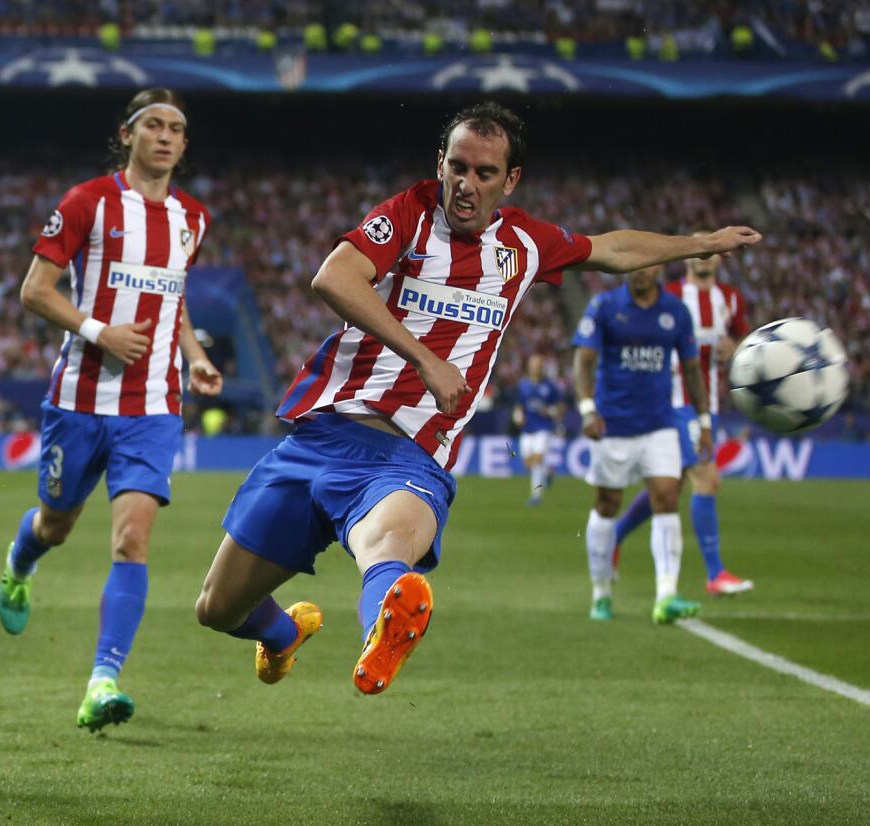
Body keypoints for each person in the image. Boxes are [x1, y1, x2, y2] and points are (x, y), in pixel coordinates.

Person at [193, 101, 760, 693]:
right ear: (440, 164)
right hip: (322, 435)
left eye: (484, 173)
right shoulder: (409, 216)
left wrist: (698, 242)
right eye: (457, 167)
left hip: (407, 456)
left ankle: (380, 640)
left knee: (383, 544)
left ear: (510, 180)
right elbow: (333, 277)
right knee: (217, 607)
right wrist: (425, 357)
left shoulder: (525, 244)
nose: (466, 185)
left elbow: (611, 249)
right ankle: (283, 633)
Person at [0, 88, 223, 732]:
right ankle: (20, 562)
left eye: (177, 128)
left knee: (132, 539)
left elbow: (172, 301)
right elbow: (34, 291)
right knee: (56, 524)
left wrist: (193, 353)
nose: (166, 136)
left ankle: (103, 680)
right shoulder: (87, 202)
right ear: (127, 134)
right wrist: (100, 332)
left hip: (153, 406)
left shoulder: (193, 219)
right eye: (154, 124)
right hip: (79, 402)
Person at [575, 265, 714, 623]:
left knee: (668, 497)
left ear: (659, 269)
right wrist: (588, 410)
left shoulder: (675, 313)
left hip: (659, 423)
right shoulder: (605, 306)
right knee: (607, 504)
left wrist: (704, 421)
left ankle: (667, 595)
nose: (640, 272)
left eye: (647, 265)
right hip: (613, 425)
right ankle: (601, 591)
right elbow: (584, 361)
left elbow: (692, 369)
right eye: (633, 266)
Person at [611, 244, 753, 595]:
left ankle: (613, 535)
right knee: (706, 478)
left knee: (669, 486)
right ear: (688, 257)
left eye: (710, 248)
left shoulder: (731, 299)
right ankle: (715, 573)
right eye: (697, 247)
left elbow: (748, 344)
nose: (703, 256)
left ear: (720, 257)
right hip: (672, 401)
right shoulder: (671, 295)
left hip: (708, 404)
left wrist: (737, 347)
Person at [513, 353, 563, 505]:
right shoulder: (523, 385)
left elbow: (560, 407)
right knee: (528, 463)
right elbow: (519, 405)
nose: (536, 369)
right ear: (529, 368)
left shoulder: (550, 386)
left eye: (539, 366)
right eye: (534, 366)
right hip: (527, 428)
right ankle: (547, 473)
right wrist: (517, 415)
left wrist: (549, 411)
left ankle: (536, 495)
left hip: (543, 427)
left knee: (537, 460)